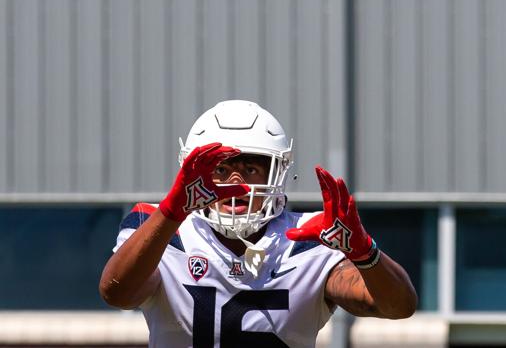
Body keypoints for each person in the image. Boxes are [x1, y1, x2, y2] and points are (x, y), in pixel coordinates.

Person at [99, 99, 417, 348]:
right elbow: (117, 293)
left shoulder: (309, 236)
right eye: (221, 170)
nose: (236, 183)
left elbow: (398, 307)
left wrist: (364, 252)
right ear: (192, 171)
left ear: (276, 173)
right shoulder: (160, 229)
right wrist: (171, 213)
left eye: (251, 169)